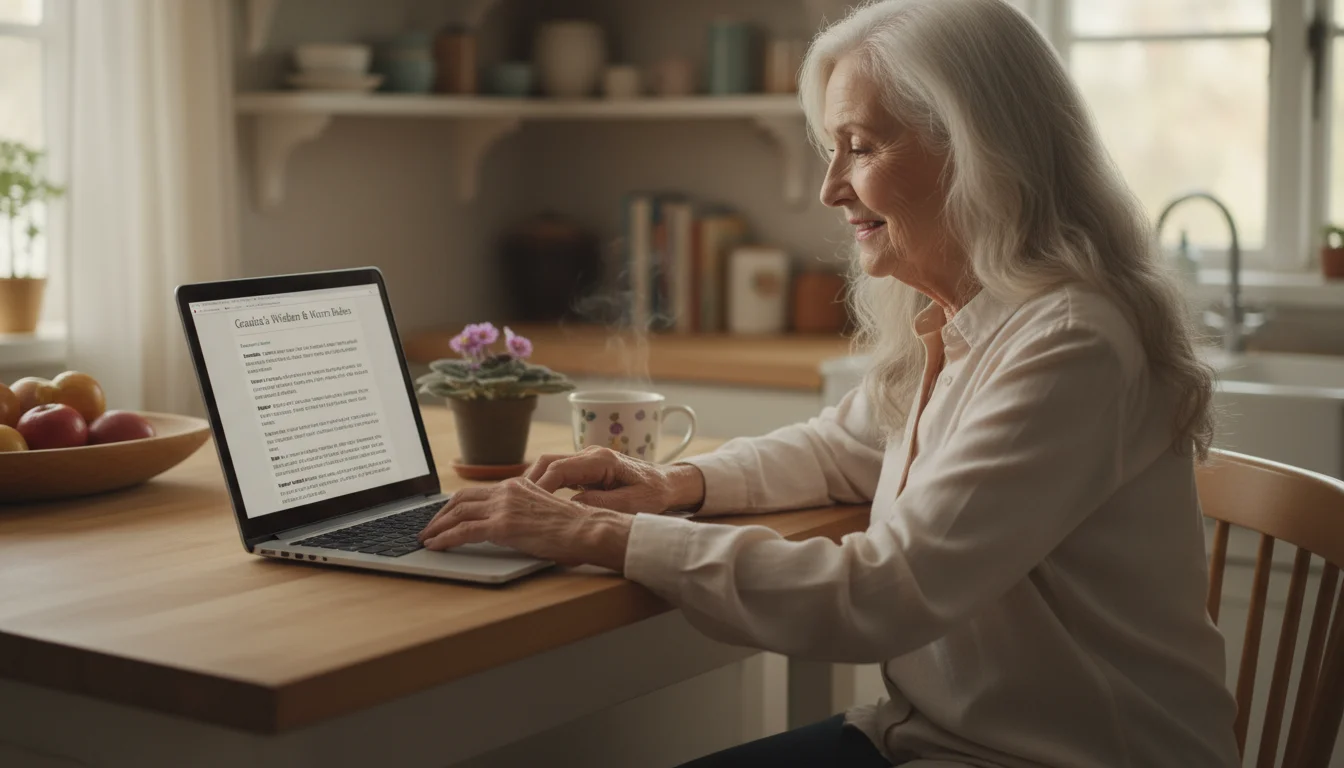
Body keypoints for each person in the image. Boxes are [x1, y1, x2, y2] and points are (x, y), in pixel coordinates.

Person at [418, 0, 1241, 764]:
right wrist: (674, 483)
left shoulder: (1071, 341)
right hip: (933, 739)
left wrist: (601, 535)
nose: (830, 187)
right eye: (832, 147)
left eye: (863, 147)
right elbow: (840, 446)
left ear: (979, 152)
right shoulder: (972, 314)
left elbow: (885, 590)